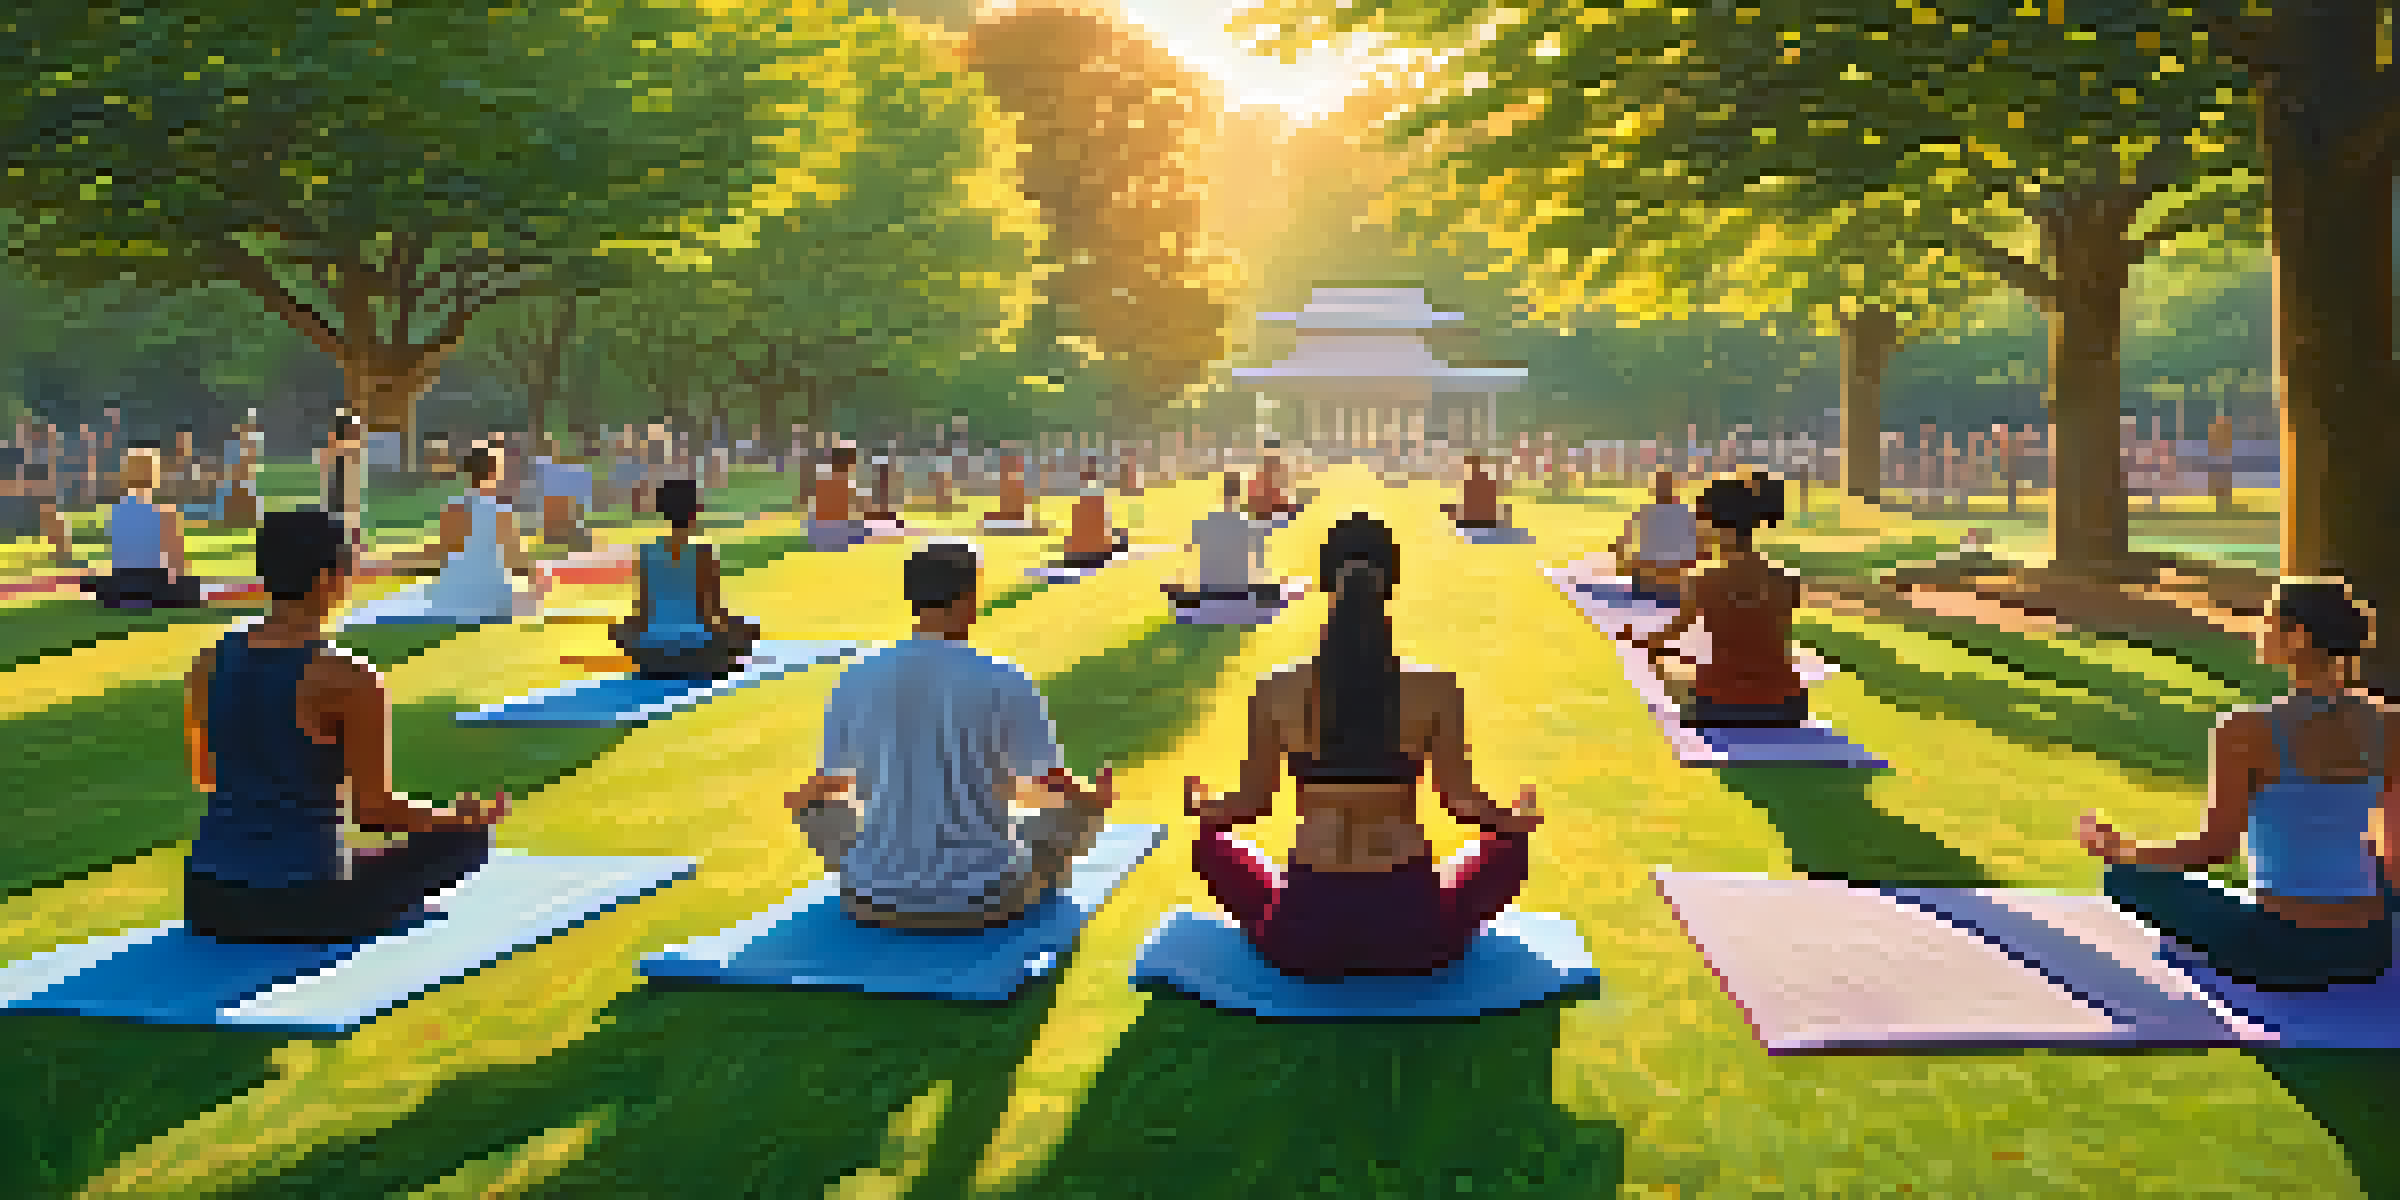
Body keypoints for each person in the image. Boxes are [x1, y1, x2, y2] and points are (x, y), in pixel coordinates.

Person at [1185, 515, 1543, 979]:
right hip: (1413, 936)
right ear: (1390, 584)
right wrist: (1514, 819)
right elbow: (1462, 802)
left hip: (1304, 937)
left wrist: (1202, 806)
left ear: (1326, 585)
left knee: (1208, 843)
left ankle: (1288, 918)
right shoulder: (1434, 689)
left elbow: (1250, 805)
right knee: (1511, 847)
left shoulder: (1276, 689)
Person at [182, 509, 509, 943]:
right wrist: (457, 818)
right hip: (303, 902)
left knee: (357, 856)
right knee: (465, 843)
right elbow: (374, 812)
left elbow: (206, 777)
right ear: (327, 579)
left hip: (208, 897)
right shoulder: (349, 677)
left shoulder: (209, 662)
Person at [2081, 579, 2398, 989]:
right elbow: (2396, 860)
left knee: (2123, 878)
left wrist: (2123, 851)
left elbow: (2215, 849)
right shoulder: (2391, 725)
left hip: (2276, 951)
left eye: (2268, 620)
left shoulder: (2245, 729)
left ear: (2297, 637)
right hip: (2367, 951)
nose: (2258, 628)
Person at [784, 541, 1117, 931]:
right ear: (967, 597)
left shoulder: (854, 676)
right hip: (987, 899)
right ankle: (1040, 883)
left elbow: (833, 781)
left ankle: (889, 870)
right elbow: (1048, 782)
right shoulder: (1003, 679)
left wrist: (797, 801)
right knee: (1075, 810)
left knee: (818, 809)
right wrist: (1096, 799)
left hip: (872, 899)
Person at [1635, 476, 1806, 729]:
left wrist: (1643, 643)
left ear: (1712, 524)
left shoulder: (1702, 579)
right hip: (1786, 707)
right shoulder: (1787, 579)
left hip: (1721, 705)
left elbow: (1668, 636)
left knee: (1664, 662)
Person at [609, 478, 760, 678]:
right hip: (695, 647)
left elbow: (643, 610)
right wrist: (740, 630)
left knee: (622, 630)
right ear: (694, 511)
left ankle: (660, 661)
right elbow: (711, 612)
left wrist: (627, 631)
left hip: (653, 647)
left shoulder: (648, 552)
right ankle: (712, 663)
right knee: (747, 629)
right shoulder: (703, 553)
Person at [413, 446, 540, 625]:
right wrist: (535, 588)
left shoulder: (454, 507)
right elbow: (517, 560)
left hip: (453, 596)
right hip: (489, 598)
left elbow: (441, 554)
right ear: (494, 472)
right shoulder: (501, 512)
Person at [82, 446, 204, 610]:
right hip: (151, 582)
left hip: (121, 583)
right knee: (191, 586)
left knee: (101, 582)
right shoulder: (165, 512)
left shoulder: (114, 511)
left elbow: (118, 556)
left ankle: (123, 598)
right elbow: (176, 560)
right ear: (154, 474)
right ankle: (147, 598)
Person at [1168, 470, 1280, 609]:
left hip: (1210, 592)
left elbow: (1188, 551)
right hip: (1239, 594)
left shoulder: (1204, 523)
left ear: (1223, 493)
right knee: (1274, 591)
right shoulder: (1250, 526)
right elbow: (1258, 566)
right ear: (1239, 494)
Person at [1609, 470, 1702, 604]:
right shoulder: (1683, 513)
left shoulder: (1648, 513)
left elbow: (1622, 544)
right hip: (1669, 582)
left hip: (1654, 581)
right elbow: (1692, 556)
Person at [1059, 461, 1128, 569]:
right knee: (1122, 536)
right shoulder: (1099, 506)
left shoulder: (1076, 507)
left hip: (1077, 557)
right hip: (1096, 555)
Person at [1440, 454, 1511, 529]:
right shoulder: (1489, 482)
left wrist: (1448, 509)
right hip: (1489, 523)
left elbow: (1472, 508)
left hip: (1474, 523)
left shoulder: (1471, 484)